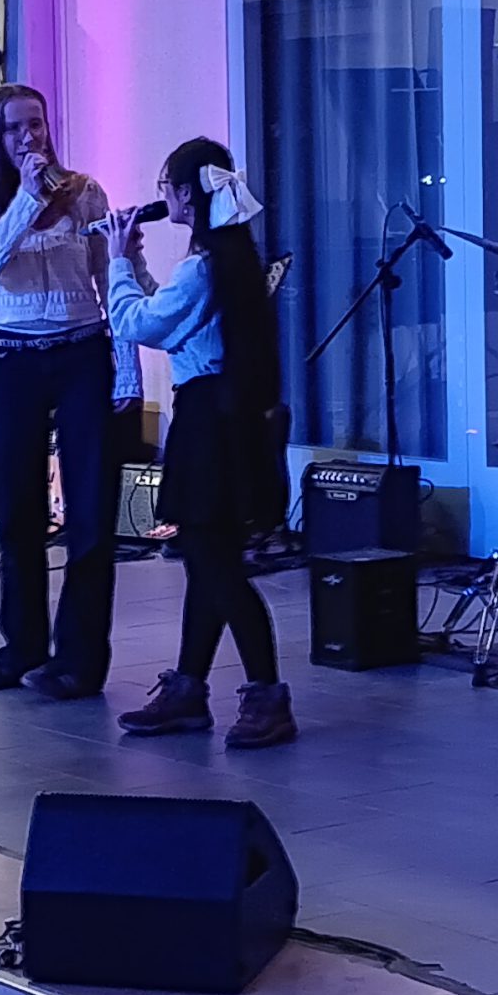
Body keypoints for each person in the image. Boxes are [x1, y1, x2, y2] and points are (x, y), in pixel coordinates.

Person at [98, 139, 297, 750]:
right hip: (230, 420)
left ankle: (267, 696)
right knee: (207, 564)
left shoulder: (203, 267)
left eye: (166, 186)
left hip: (208, 425)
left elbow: (138, 323)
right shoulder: (228, 262)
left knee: (218, 568)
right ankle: (188, 689)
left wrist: (115, 262)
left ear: (186, 194)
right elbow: (173, 316)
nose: (162, 197)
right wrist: (136, 265)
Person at [0, 83, 137, 698]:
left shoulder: (84, 193)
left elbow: (112, 276)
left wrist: (128, 369)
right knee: (17, 513)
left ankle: (79, 660)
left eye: (36, 124)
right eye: (14, 128)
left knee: (90, 515)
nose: (29, 137)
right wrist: (27, 200)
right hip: (15, 358)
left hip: (82, 351)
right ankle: (22, 648)